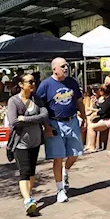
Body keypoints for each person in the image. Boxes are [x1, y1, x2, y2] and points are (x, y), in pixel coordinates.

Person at [36, 57, 86, 204]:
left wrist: (84, 118)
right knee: (58, 157)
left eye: (67, 66)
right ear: (54, 69)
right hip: (55, 124)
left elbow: (79, 101)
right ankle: (60, 190)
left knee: (75, 154)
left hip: (72, 121)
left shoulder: (72, 82)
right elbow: (39, 105)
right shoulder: (46, 85)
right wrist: (46, 126)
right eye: (63, 66)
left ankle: (66, 171)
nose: (65, 68)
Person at [6, 74, 47, 215]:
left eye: (34, 81)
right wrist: (33, 120)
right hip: (20, 143)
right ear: (21, 84)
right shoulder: (13, 101)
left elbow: (44, 115)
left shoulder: (36, 99)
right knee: (24, 171)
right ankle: (28, 200)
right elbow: (13, 122)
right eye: (30, 82)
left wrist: (25, 118)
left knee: (31, 171)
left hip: (35, 142)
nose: (33, 84)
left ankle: (29, 198)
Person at [88, 83, 110, 150]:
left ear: (102, 91)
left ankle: (92, 147)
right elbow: (102, 108)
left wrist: (95, 113)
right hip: (108, 119)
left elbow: (102, 111)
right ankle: (90, 145)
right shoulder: (108, 98)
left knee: (91, 127)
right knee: (91, 124)